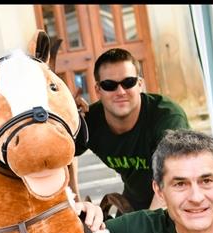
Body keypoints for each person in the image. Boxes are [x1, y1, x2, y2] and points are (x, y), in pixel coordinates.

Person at [75, 48, 189, 211]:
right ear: (98, 90)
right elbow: (59, 156)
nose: (120, 92)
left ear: (140, 84)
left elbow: (176, 176)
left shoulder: (167, 116)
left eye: (128, 82)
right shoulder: (90, 121)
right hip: (134, 201)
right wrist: (65, 121)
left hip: (179, 200)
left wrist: (148, 225)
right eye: (109, 85)